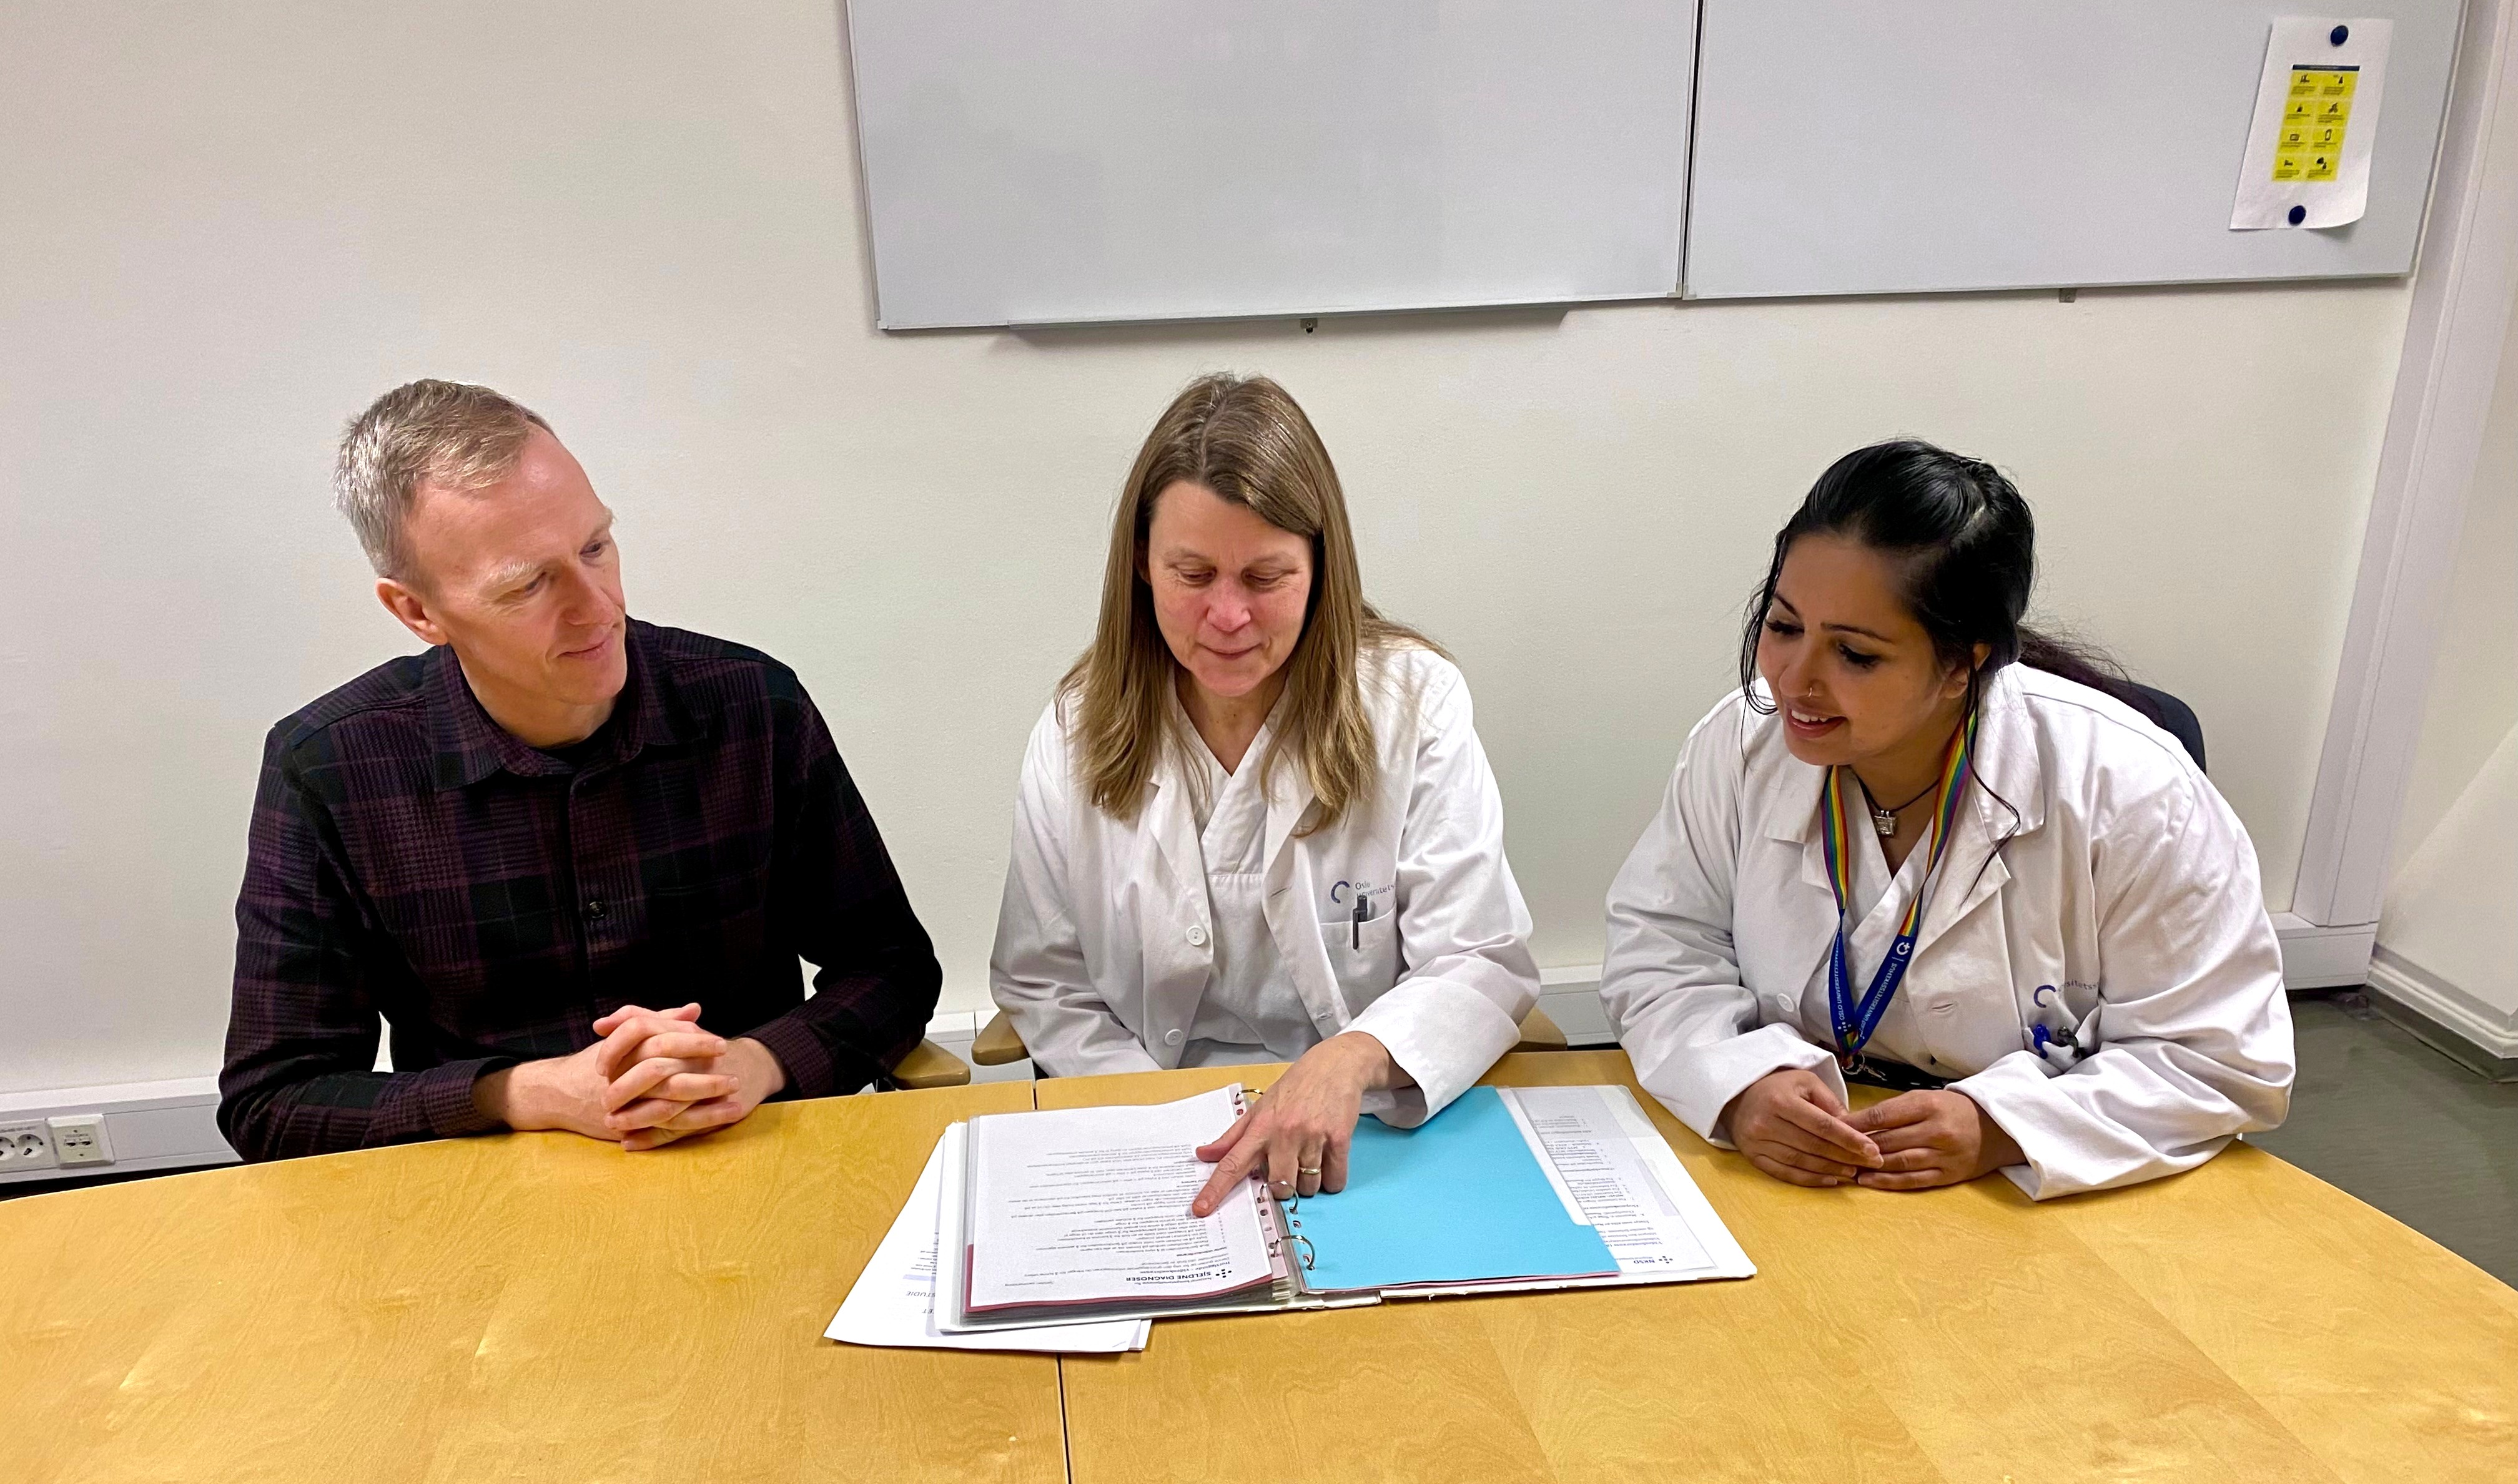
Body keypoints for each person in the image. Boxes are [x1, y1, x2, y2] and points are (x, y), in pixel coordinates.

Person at [219, 380, 942, 1162]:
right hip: (494, 1197)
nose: (597, 608)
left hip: (748, 1153)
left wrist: (755, 1065)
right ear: (418, 613)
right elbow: (276, 1099)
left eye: (596, 547)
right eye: (527, 584)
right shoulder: (331, 766)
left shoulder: (749, 704)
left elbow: (892, 967)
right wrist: (531, 1093)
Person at [1601, 440, 2294, 1199]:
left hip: (2035, 1193)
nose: (1795, 681)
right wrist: (1740, 1083)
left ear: (1965, 663)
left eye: (1855, 655)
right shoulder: (1740, 747)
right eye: (1784, 626)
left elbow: (2219, 1057)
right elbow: (1662, 946)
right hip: (1803, 1176)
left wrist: (2000, 1125)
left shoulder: (2133, 790)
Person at [989, 373, 1541, 1216]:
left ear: (1321, 569)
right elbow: (1046, 983)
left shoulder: (1414, 704)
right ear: (1141, 564)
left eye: (1265, 576)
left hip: (1367, 1134)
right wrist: (1166, 1119)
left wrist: (1352, 1057)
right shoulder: (1075, 729)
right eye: (1193, 572)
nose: (1228, 614)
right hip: (1159, 1145)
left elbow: (1479, 959)